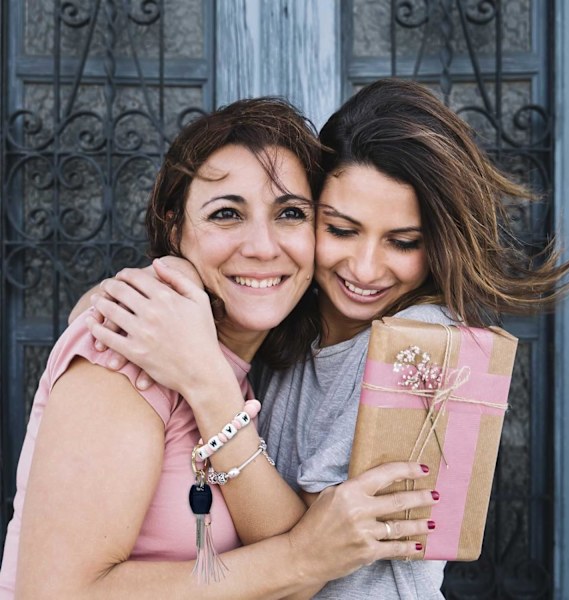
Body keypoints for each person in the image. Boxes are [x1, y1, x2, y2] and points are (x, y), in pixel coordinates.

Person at [66, 80, 569, 599]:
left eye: (403, 242)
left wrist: (208, 385)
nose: (364, 269)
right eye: (340, 230)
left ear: (438, 247)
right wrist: (124, 298)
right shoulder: (291, 321)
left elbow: (307, 565)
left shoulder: (429, 352)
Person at [0, 96, 438, 599]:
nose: (261, 246)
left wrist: (207, 379)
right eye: (227, 213)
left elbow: (296, 562)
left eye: (291, 213)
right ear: (174, 228)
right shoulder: (124, 354)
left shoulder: (260, 369)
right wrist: (299, 558)